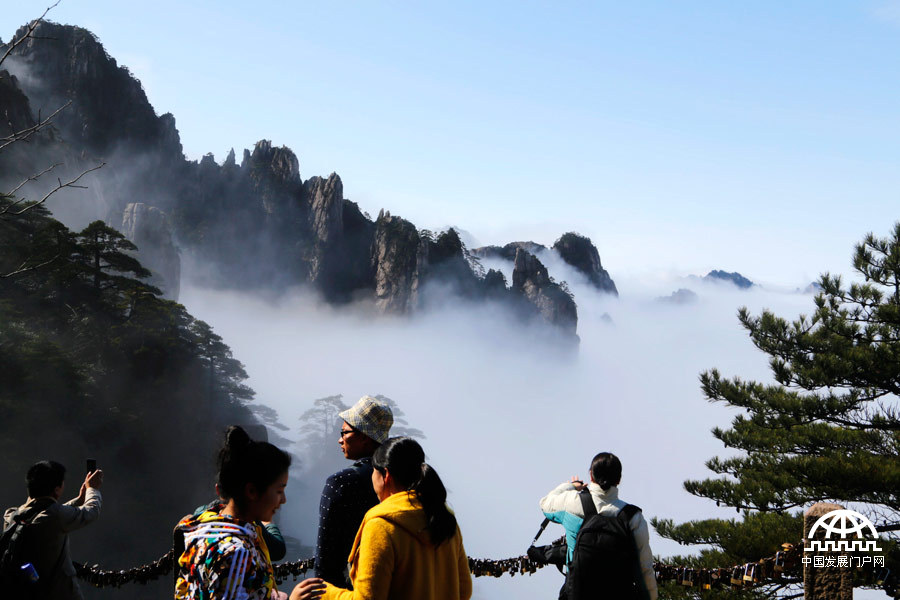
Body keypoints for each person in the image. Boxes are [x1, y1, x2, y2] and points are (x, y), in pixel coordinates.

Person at [293, 437, 472, 600]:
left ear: (385, 475)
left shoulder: (381, 526)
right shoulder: (444, 519)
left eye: (373, 471)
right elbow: (464, 590)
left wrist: (326, 592)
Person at [175, 426, 292, 600]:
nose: (283, 500)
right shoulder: (236, 553)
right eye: (279, 491)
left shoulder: (204, 527)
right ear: (252, 491)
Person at [539, 452, 657, 600]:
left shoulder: (572, 502)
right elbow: (645, 568)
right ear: (619, 480)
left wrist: (571, 487)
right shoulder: (633, 517)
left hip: (576, 593)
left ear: (591, 475)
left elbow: (545, 504)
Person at [313, 396, 393, 587]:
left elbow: (326, 563)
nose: (340, 440)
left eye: (345, 432)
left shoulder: (340, 482)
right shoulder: (400, 481)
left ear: (364, 437)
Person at [2, 460, 103, 600]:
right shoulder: (55, 517)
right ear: (57, 489)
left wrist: (79, 499)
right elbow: (91, 512)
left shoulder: (13, 516)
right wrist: (93, 489)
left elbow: (47, 514)